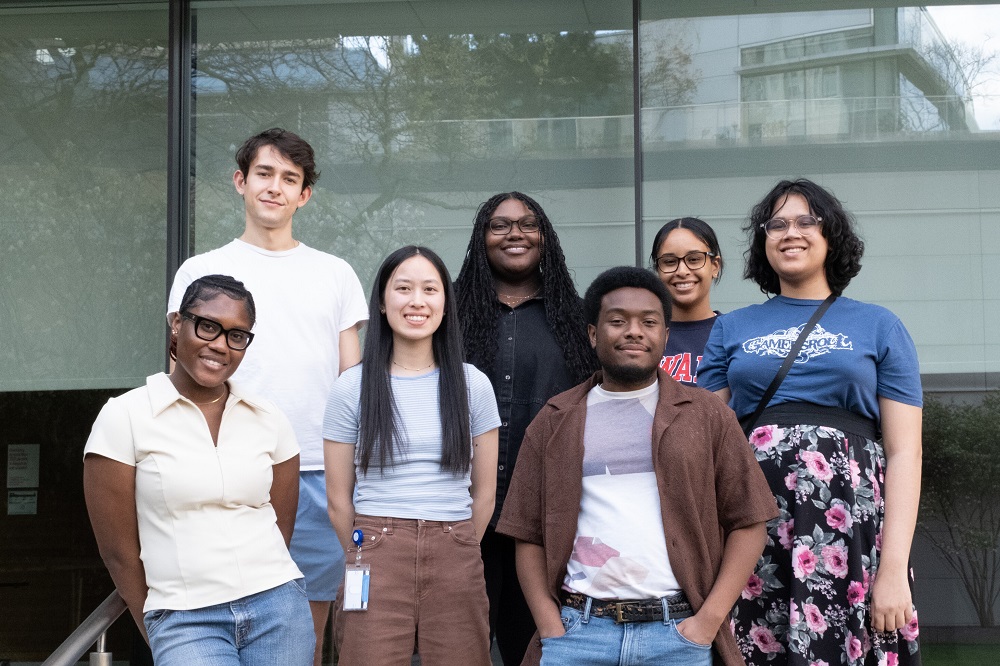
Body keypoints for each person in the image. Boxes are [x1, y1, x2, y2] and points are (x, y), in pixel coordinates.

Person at [497, 266, 778, 666]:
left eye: (648, 322)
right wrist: (548, 624)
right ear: (593, 334)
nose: (633, 331)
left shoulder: (707, 415)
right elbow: (526, 533)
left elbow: (749, 521)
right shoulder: (555, 418)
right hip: (578, 635)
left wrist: (707, 622)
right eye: (617, 321)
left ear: (664, 335)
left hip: (678, 636)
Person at [697, 179, 923, 665]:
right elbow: (704, 439)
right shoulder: (730, 327)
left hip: (850, 526)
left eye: (805, 221)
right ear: (763, 241)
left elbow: (905, 453)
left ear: (830, 235)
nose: (789, 232)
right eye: (775, 224)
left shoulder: (880, 325)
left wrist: (893, 569)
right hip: (750, 523)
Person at [167, 128, 367, 665]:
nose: (274, 187)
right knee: (216, 615)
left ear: (304, 195)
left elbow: (354, 383)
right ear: (240, 181)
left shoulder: (335, 273)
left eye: (290, 178)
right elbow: (177, 375)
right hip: (224, 469)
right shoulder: (199, 272)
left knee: (308, 626)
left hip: (318, 471)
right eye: (264, 173)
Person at [84, 275, 313, 665]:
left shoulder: (269, 418)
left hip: (279, 609)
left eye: (237, 336)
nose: (220, 345)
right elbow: (118, 552)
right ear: (177, 323)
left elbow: (281, 524)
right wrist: (156, 626)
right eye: (208, 326)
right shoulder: (125, 416)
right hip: (185, 619)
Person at [323, 246, 500, 666]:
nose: (416, 301)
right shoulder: (353, 387)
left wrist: (454, 543)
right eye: (403, 288)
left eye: (429, 289)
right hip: (375, 550)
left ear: (445, 304)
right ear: (383, 303)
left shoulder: (472, 384)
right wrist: (367, 548)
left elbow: (486, 493)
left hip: (455, 548)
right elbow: (337, 500)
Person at [454, 191, 598, 665]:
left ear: (545, 238)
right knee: (456, 646)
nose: (514, 233)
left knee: (534, 648)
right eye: (499, 225)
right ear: (481, 239)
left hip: (545, 516)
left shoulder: (577, 320)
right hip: (460, 513)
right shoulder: (448, 317)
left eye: (527, 224)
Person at [650, 217, 723, 386]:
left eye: (694, 259)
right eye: (669, 262)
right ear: (657, 270)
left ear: (715, 266)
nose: (682, 271)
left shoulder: (732, 334)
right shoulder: (644, 335)